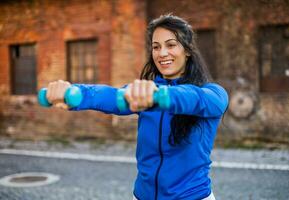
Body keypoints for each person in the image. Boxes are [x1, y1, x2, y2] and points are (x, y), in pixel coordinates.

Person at [45, 14, 228, 200]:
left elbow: (195, 99)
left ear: (187, 50)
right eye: (156, 47)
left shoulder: (212, 93)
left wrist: (158, 96)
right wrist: (74, 92)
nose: (162, 53)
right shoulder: (143, 93)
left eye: (171, 45)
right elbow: (110, 96)